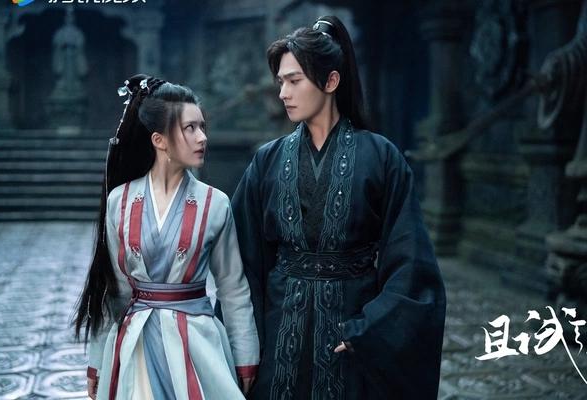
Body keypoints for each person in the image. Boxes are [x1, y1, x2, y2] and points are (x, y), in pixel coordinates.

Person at [231, 16, 446, 399]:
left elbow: (411, 262)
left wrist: (370, 329)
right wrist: (245, 340)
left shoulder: (381, 156)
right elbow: (241, 260)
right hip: (280, 332)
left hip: (351, 333)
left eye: (294, 81)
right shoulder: (267, 160)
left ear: (331, 82)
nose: (283, 93)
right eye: (281, 82)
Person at [74, 74, 259, 400]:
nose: (202, 137)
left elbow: (232, 288)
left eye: (202, 127)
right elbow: (113, 290)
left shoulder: (215, 204)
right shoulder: (121, 200)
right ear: (159, 140)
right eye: (190, 128)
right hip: (136, 345)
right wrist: (97, 361)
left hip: (197, 344)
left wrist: (245, 355)